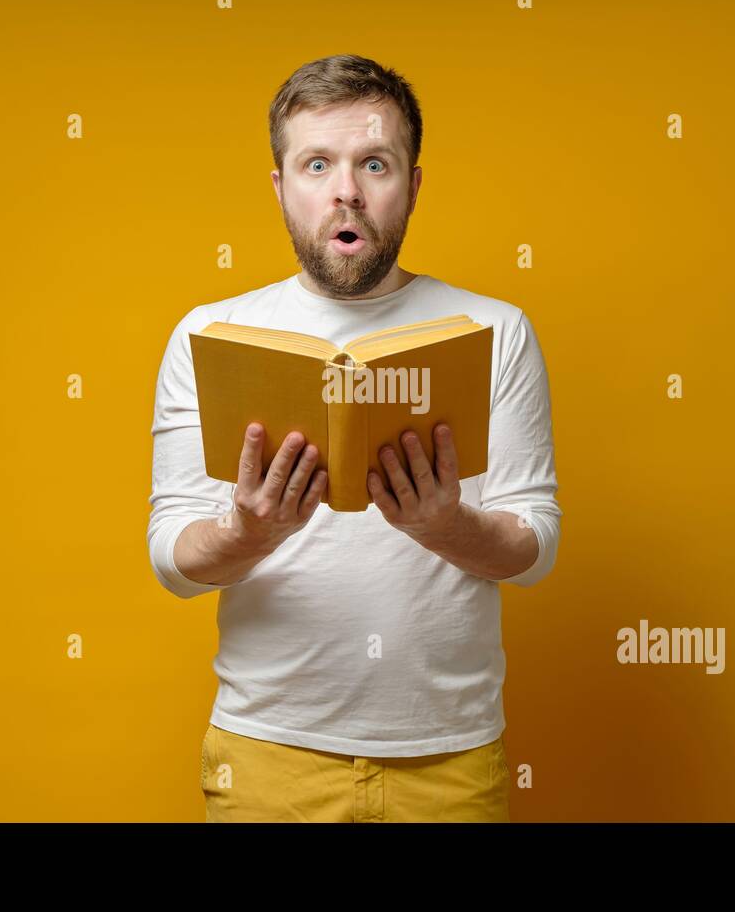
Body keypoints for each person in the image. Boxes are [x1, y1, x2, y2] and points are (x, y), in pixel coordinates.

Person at [148, 54, 561, 822]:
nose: (346, 189)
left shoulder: (496, 331)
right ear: (281, 187)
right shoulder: (210, 335)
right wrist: (249, 532)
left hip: (452, 760)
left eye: (375, 162)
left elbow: (535, 550)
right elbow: (173, 560)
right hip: (268, 758)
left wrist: (446, 527)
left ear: (413, 184)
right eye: (316, 163)